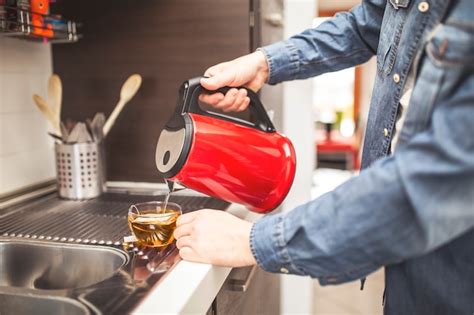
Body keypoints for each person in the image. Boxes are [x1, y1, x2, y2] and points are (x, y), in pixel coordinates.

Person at [173, 0, 474, 313]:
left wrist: (252, 241)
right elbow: (364, 25)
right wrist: (264, 62)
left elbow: (424, 189)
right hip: (407, 260)